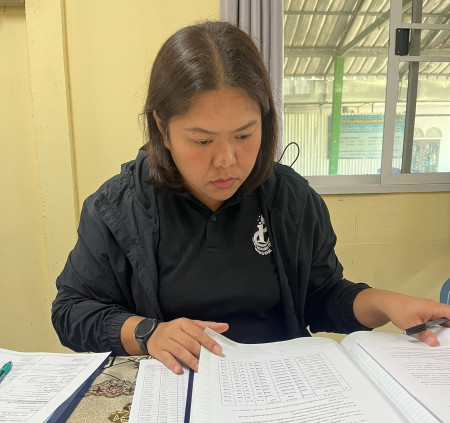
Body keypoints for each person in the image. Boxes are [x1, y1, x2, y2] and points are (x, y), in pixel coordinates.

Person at [52, 21, 450, 374]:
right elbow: (71, 312)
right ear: (162, 127)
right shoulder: (118, 208)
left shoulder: (291, 199)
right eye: (202, 140)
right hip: (175, 387)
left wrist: (385, 302)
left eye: (244, 135)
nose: (227, 160)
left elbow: (322, 297)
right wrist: (147, 332)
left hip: (275, 386)